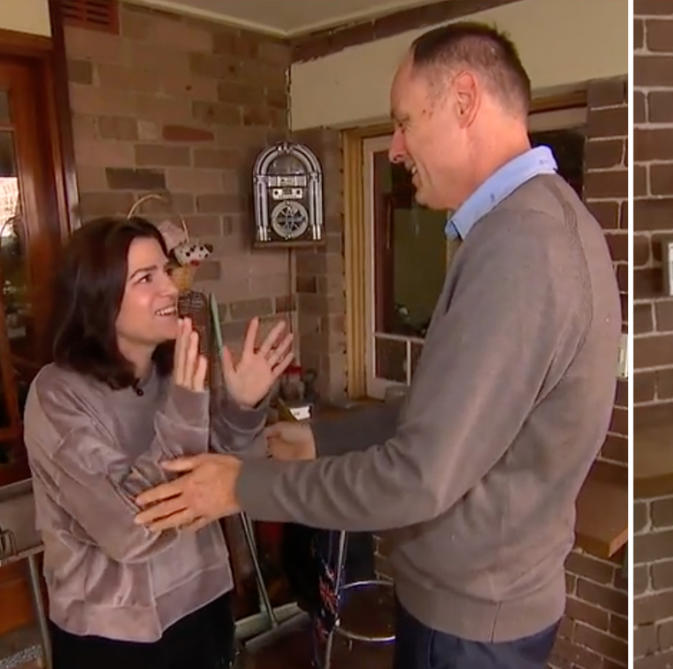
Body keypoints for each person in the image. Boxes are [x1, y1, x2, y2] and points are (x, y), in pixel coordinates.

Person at [131, 22, 622, 669]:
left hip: (472, 625)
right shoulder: (541, 224)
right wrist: (322, 439)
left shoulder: (521, 249)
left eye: (403, 121)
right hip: (487, 604)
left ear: (466, 101)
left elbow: (418, 477)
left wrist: (243, 486)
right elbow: (451, 415)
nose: (394, 147)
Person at [23, 216, 294, 669]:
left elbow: (225, 483)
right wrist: (186, 410)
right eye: (146, 278)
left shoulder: (173, 373)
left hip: (203, 605)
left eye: (166, 271)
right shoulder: (57, 395)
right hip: (113, 637)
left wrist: (243, 407)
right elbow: (130, 529)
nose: (171, 288)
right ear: (98, 297)